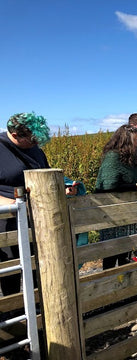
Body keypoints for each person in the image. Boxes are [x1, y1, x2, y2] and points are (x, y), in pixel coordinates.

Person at [0, 112, 51, 295]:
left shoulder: (35, 149)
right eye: (32, 140)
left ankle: (39, 306)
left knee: (38, 262)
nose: (35, 145)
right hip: (7, 219)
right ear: (15, 135)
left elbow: (45, 172)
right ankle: (14, 311)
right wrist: (11, 204)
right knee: (12, 267)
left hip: (35, 216)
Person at [95, 125, 137, 270]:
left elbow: (136, 178)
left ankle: (126, 283)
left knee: (127, 250)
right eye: (136, 140)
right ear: (126, 141)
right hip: (113, 213)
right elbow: (108, 185)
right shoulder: (113, 157)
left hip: (129, 212)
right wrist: (134, 187)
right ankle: (108, 282)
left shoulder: (132, 157)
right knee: (111, 251)